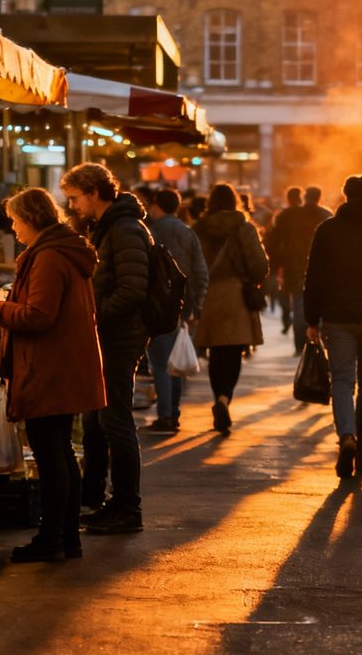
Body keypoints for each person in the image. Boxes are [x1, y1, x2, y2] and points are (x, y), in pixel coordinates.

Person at [0, 188, 105, 563]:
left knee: (51, 454)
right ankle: (65, 538)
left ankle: (52, 539)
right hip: (62, 364)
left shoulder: (48, 257)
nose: (13, 229)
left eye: (15, 221)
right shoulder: (63, 251)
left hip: (51, 367)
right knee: (59, 451)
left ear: (31, 219)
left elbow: (39, 316)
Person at [61, 164, 150, 535]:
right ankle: (96, 497)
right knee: (96, 419)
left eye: (75, 197)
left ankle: (127, 507)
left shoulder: (125, 229)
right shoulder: (108, 227)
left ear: (95, 192)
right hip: (108, 335)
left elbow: (133, 289)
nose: (72, 205)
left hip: (119, 336)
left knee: (115, 419)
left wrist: (94, 317)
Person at [302, 174, 362, 478]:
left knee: (342, 381)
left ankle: (346, 436)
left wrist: (310, 318)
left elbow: (313, 275)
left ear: (344, 194)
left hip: (336, 316)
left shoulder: (327, 230)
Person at [192, 183, 270, 433]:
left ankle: (218, 398)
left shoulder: (198, 228)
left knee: (216, 352)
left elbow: (191, 263)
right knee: (234, 351)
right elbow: (259, 264)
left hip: (208, 294)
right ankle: (225, 398)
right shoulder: (244, 227)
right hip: (236, 293)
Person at [144, 189, 209, 434]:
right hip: (183, 308)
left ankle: (166, 415)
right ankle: (174, 411)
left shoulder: (151, 232)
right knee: (176, 361)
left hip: (157, 306)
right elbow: (201, 272)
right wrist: (195, 305)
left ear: (157, 205)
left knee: (160, 363)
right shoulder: (188, 232)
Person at [272, 185, 332, 354]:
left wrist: (277, 266)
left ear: (305, 196)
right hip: (322, 270)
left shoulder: (290, 215)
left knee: (299, 306)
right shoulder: (326, 215)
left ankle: (301, 345)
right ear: (320, 197)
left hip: (295, 269)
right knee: (321, 306)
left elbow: (275, 241)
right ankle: (320, 342)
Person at [266, 187, 303, 337]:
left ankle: (287, 318)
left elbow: (274, 241)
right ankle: (298, 324)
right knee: (299, 297)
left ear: (288, 198)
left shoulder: (282, 216)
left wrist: (275, 265)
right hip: (302, 261)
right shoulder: (305, 214)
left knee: (284, 293)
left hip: (286, 262)